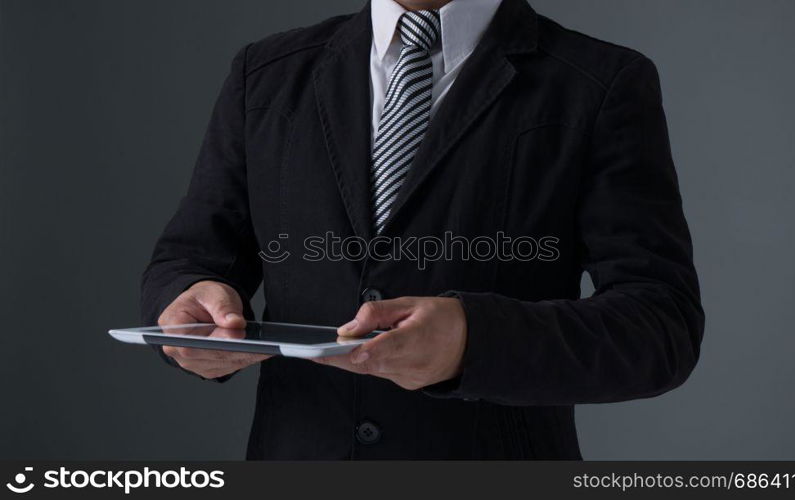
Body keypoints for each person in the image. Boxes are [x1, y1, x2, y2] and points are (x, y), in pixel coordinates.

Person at [142, 0, 704, 459]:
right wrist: (184, 307)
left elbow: (660, 328)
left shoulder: (599, 84)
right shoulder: (265, 75)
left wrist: (474, 341)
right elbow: (189, 262)